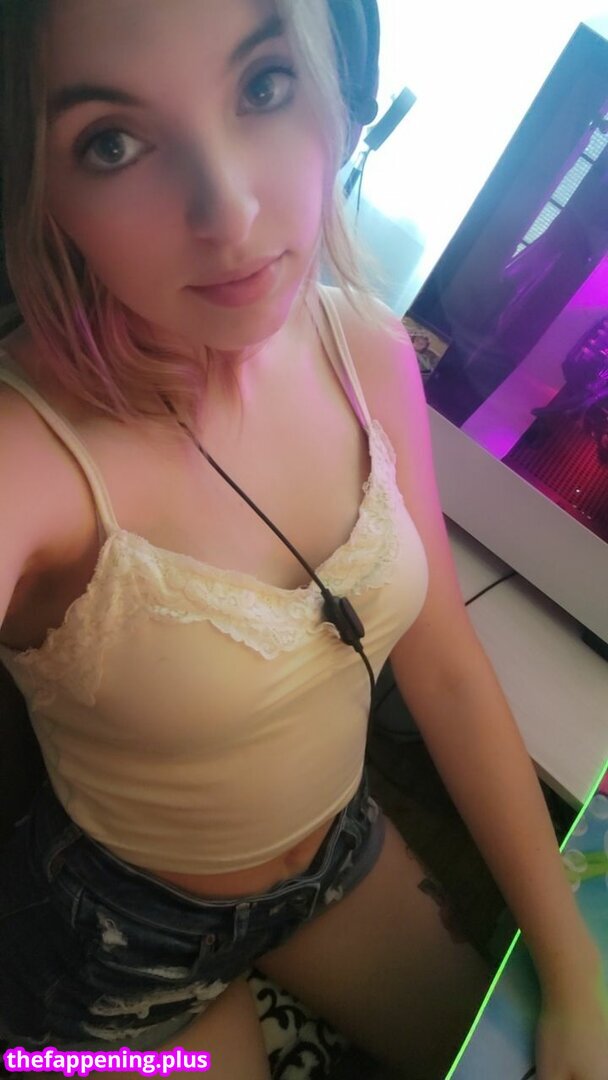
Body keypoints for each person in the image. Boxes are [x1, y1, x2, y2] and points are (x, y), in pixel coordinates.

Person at [0, 2, 606, 1079]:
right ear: (39, 192)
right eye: (112, 143)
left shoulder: (366, 347)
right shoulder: (28, 455)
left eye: (263, 85)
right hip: (122, 936)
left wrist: (572, 968)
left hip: (336, 856)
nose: (230, 212)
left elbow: (444, 667)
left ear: (337, 84)